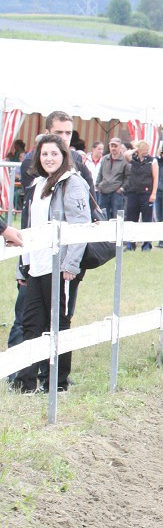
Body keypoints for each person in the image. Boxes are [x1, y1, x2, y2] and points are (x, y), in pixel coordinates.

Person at [12, 134, 91, 393]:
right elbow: (27, 228)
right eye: (44, 154)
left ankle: (57, 383)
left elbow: (81, 226)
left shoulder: (73, 183)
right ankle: (27, 383)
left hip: (59, 267)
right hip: (36, 265)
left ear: (63, 156)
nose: (49, 158)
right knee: (30, 323)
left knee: (58, 324)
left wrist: (71, 264)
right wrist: (22, 265)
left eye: (54, 154)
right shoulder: (36, 184)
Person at [20, 111, 96, 198]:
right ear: (47, 133)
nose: (64, 138)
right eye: (58, 132)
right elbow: (36, 199)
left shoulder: (76, 158)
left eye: (68, 133)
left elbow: (89, 199)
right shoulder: (30, 162)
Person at [123, 141, 158, 251]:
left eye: (147, 149)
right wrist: (135, 149)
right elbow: (125, 155)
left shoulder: (152, 161)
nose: (146, 151)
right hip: (133, 192)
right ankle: (130, 243)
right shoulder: (134, 160)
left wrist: (153, 194)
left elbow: (155, 178)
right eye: (144, 149)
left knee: (147, 219)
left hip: (146, 193)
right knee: (131, 218)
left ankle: (147, 244)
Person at [96, 137, 130, 219]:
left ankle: (117, 231)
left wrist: (122, 189)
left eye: (115, 146)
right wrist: (98, 185)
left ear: (120, 147)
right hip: (103, 190)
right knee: (103, 215)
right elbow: (100, 173)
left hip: (116, 191)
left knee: (117, 216)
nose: (113, 148)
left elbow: (128, 177)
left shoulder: (124, 160)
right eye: (112, 146)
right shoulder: (104, 158)